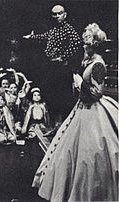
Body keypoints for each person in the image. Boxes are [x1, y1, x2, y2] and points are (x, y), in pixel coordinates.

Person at [32, 23, 118, 201]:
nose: (83, 46)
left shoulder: (98, 64)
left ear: (93, 45)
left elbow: (97, 92)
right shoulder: (88, 61)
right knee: (69, 152)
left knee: (91, 155)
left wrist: (81, 84)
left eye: (86, 44)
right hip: (82, 109)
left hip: (93, 112)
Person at [23, 5, 82, 125]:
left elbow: (77, 43)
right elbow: (44, 36)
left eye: (59, 13)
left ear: (65, 15)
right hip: (52, 67)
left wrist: (63, 57)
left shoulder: (68, 29)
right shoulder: (54, 30)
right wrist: (32, 37)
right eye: (54, 14)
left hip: (62, 69)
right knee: (52, 96)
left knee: (63, 97)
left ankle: (64, 126)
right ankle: (54, 125)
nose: (56, 16)